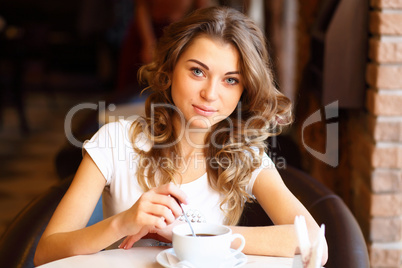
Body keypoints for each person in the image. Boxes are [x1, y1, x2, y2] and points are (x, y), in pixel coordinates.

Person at [34, 6, 328, 266]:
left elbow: (313, 241)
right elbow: (46, 252)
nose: (210, 94)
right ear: (171, 68)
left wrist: (196, 236)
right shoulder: (115, 141)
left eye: (230, 80)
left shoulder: (245, 156)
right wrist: (121, 223)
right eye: (198, 72)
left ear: (244, 90)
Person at [117, 0, 211, 93]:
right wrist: (148, 42)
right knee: (132, 86)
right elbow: (141, 6)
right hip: (147, 31)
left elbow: (202, 11)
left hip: (181, 33)